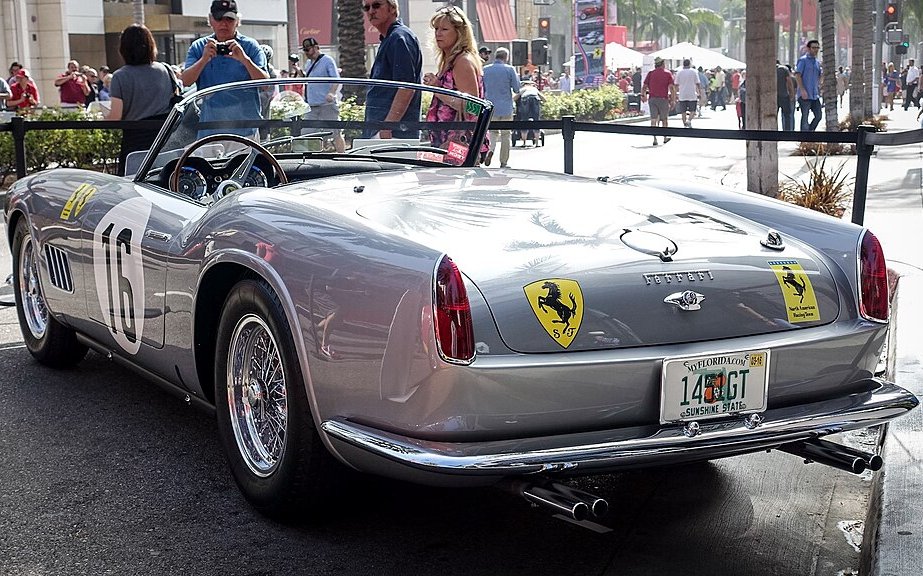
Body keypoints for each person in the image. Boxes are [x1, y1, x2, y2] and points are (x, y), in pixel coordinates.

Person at [181, 0, 268, 137]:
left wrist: (245, 60)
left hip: (245, 130)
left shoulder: (250, 46)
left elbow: (265, 84)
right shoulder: (199, 47)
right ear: (210, 20)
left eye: (229, 19)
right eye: (219, 18)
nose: (224, 24)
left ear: (237, 21)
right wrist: (204, 60)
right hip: (209, 129)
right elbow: (185, 81)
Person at [106, 24, 178, 176]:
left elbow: (115, 116)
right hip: (166, 138)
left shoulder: (120, 76)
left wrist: (101, 119)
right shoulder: (166, 70)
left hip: (135, 141)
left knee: (133, 183)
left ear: (124, 48)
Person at [422, 5, 489, 164]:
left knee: (453, 177)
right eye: (436, 29)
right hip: (447, 140)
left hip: (458, 142)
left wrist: (438, 89)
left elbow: (474, 107)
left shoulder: (462, 61)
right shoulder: (451, 60)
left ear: (459, 32)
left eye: (444, 29)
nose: (438, 33)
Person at [363, 0, 422, 139]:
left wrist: (388, 125)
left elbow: (406, 87)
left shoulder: (399, 38)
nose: (371, 11)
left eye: (376, 5)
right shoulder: (389, 38)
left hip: (394, 134)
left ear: (392, 8)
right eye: (367, 7)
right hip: (383, 131)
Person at [302, 37, 346, 153]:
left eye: (308, 50)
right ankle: (309, 156)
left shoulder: (327, 60)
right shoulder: (308, 63)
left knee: (336, 132)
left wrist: (331, 93)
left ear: (316, 48)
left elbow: (336, 79)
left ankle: (343, 155)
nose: (307, 53)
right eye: (305, 50)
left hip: (326, 104)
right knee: (307, 133)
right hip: (312, 105)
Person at [482, 46, 520, 167]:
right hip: (506, 107)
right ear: (506, 57)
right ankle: (503, 162)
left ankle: (490, 150)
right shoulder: (510, 69)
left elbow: (482, 88)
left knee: (492, 132)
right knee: (505, 134)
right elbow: (517, 88)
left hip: (490, 107)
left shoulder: (485, 70)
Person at [641, 56, 676, 146]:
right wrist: (673, 100)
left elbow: (644, 86)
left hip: (652, 99)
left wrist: (643, 95)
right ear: (663, 64)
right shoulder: (667, 73)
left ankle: (654, 138)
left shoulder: (651, 73)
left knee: (653, 119)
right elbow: (672, 88)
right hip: (663, 99)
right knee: (664, 119)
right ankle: (665, 137)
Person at [795, 39, 822, 131]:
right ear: (808, 48)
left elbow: (819, 77)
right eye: (814, 48)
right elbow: (798, 75)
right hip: (805, 95)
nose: (816, 50)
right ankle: (804, 136)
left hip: (815, 95)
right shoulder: (803, 60)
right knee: (805, 117)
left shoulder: (817, 62)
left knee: (818, 116)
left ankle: (810, 132)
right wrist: (802, 90)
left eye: (817, 48)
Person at [674, 58, 700, 128]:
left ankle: (684, 124)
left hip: (682, 94)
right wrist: (699, 92)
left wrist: (675, 93)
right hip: (692, 94)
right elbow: (697, 83)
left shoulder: (679, 72)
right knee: (693, 110)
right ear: (689, 64)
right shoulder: (694, 72)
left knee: (683, 111)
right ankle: (689, 120)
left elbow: (676, 84)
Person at [777, 61, 795, 131]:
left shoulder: (770, 69)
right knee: (787, 115)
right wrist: (791, 94)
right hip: (784, 95)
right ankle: (787, 132)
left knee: (773, 116)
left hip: (774, 97)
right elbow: (789, 82)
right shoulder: (784, 69)